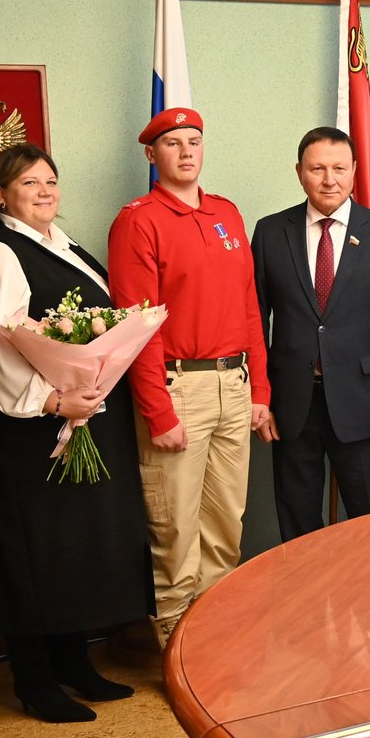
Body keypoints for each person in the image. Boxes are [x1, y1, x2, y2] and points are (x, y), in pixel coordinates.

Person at [0, 144, 150, 721]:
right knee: (35, 554)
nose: (45, 191)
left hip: (82, 417)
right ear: (0, 194)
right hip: (30, 431)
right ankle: (35, 680)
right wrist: (51, 399)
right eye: (29, 184)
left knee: (75, 552)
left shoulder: (65, 247)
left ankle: (75, 665)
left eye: (51, 180)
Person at [107, 107, 269, 646]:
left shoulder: (227, 213)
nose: (186, 151)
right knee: (174, 524)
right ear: (152, 156)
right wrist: (158, 409)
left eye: (194, 141)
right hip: (179, 387)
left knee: (226, 522)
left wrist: (259, 392)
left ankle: (214, 636)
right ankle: (175, 643)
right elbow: (138, 325)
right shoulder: (139, 220)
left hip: (234, 381)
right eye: (173, 143)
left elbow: (250, 308)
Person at [252, 127, 370, 539]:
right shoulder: (271, 232)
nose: (329, 179)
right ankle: (307, 600)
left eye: (339, 169)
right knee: (297, 520)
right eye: (318, 168)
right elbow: (254, 321)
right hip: (292, 405)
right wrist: (260, 397)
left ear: (355, 171)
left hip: (365, 404)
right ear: (299, 173)